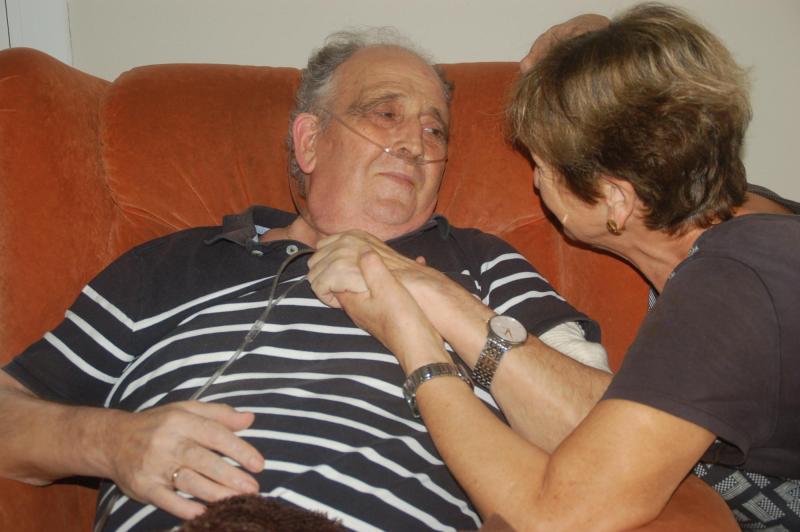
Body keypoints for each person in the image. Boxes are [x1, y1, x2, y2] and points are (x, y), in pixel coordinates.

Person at [0, 29, 613, 531]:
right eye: (386, 114)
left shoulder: (479, 262)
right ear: (310, 140)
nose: (415, 144)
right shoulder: (175, 264)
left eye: (435, 130)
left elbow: (607, 445)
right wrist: (111, 443)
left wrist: (433, 296)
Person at [307, 4, 800, 530]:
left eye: (541, 166)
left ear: (615, 200)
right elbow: (669, 117)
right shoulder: (737, 212)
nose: (535, 183)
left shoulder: (728, 289)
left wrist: (417, 333)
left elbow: (555, 513)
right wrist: (598, 51)